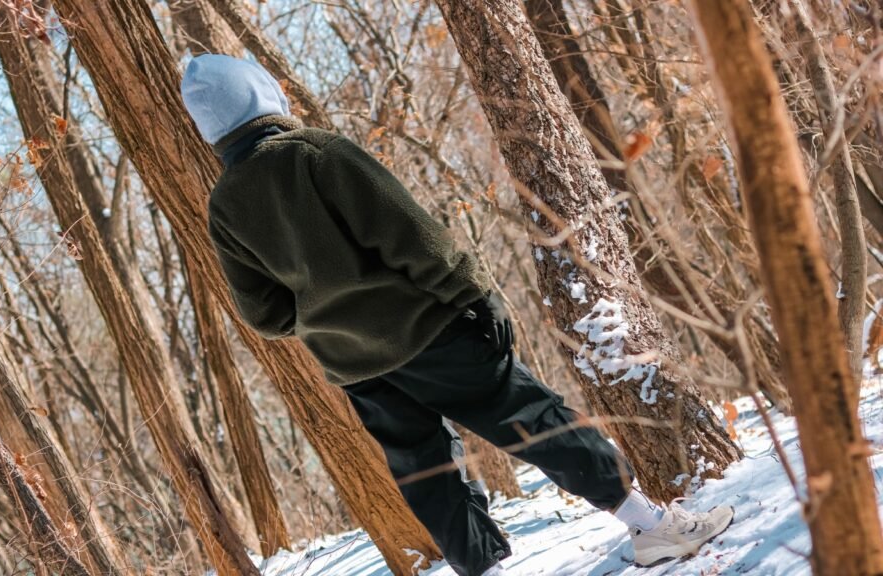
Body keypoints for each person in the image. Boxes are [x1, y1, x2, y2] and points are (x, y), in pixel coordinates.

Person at [181, 54, 733, 576]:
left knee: (427, 472)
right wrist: (474, 294)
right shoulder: (316, 154)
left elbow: (266, 315)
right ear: (261, 94)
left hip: (358, 369)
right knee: (532, 416)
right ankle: (653, 527)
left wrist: (325, 313)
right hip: (427, 330)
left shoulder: (225, 205)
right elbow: (412, 235)